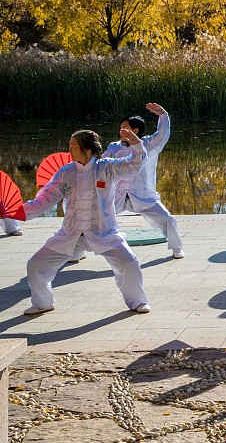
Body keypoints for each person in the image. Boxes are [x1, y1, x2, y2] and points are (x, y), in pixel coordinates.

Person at [19, 128, 151, 316]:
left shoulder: (107, 167)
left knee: (129, 263)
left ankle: (138, 301)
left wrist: (137, 145)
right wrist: (19, 212)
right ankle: (42, 303)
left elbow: (134, 164)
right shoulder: (66, 172)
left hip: (103, 232)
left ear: (87, 150)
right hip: (71, 233)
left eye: (73, 146)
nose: (69, 150)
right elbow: (45, 199)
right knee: (35, 265)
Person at [102, 103, 184, 259]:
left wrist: (163, 115)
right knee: (91, 218)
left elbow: (163, 133)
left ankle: (177, 248)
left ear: (135, 130)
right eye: (120, 128)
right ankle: (77, 251)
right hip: (117, 196)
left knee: (168, 220)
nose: (120, 132)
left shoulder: (149, 144)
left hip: (143, 196)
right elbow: (102, 166)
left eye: (124, 128)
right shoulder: (113, 147)